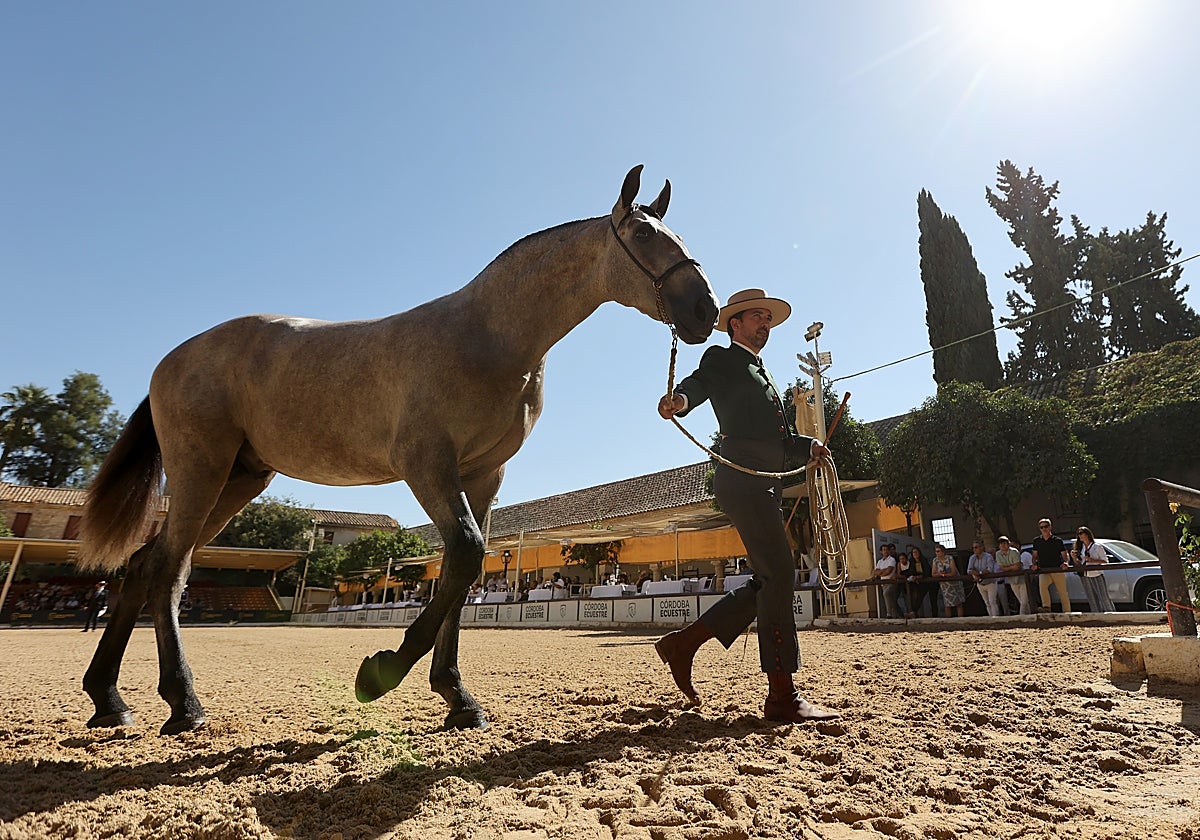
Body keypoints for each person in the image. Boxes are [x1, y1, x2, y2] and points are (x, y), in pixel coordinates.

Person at [653, 288, 839, 722]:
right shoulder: (723, 359)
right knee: (780, 574)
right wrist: (680, 401)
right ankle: (781, 697)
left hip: (762, 484)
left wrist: (808, 446)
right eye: (757, 317)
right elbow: (698, 385)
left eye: (768, 320)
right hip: (742, 481)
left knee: (769, 579)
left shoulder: (762, 373)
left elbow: (774, 440)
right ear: (735, 323)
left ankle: (684, 644)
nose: (765, 325)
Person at [1032, 518, 1072, 613]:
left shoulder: (1057, 540)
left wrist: (1066, 562)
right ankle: (1046, 609)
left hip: (1057, 569)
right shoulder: (1037, 541)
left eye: (1046, 526)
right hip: (1044, 570)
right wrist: (1034, 564)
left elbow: (1065, 554)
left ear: (1050, 527)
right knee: (1042, 587)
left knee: (1063, 592)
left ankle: (1067, 613)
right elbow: (1034, 556)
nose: (1044, 529)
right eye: (1042, 527)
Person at [1074, 526, 1115, 612]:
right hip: (1085, 575)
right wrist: (1074, 558)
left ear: (1087, 534)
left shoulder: (1097, 546)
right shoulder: (1081, 548)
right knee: (1091, 598)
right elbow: (1080, 563)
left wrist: (1093, 560)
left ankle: (1111, 614)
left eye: (1081, 533)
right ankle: (1097, 615)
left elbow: (1105, 561)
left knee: (1103, 597)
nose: (1079, 536)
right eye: (1078, 534)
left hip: (1097, 574)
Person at [995, 536, 1030, 615]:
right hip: (1012, 580)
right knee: (1022, 601)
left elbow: (1017, 567)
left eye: (1004, 543)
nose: (1003, 545)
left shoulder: (1014, 551)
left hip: (1022, 579)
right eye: (1001, 543)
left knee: (1024, 602)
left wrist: (1007, 568)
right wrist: (1011, 567)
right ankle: (1029, 617)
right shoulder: (998, 554)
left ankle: (1021, 618)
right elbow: (1002, 568)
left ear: (1008, 544)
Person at [967, 541, 1000, 617]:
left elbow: (990, 569)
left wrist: (979, 573)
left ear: (982, 547)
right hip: (980, 583)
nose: (974, 549)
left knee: (992, 602)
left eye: (976, 547)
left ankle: (996, 619)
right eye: (973, 548)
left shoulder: (988, 557)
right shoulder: (972, 558)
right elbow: (969, 570)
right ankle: (991, 618)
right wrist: (974, 573)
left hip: (990, 583)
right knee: (987, 602)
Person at [931, 544, 965, 617]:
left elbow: (953, 572)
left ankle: (961, 620)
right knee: (947, 604)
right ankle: (949, 620)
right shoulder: (935, 560)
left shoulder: (950, 558)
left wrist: (944, 575)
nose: (937, 553)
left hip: (955, 584)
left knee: (958, 603)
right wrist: (940, 574)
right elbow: (933, 574)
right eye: (936, 551)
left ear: (943, 552)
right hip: (945, 586)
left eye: (938, 551)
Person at [904, 546, 935, 618]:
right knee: (918, 598)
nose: (915, 554)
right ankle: (913, 612)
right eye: (913, 552)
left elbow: (927, 572)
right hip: (919, 583)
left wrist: (919, 577)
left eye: (916, 552)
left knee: (933, 599)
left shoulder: (924, 560)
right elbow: (910, 571)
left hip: (929, 582)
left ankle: (934, 615)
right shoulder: (912, 562)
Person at [873, 544, 901, 619]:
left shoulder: (892, 559)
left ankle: (889, 614)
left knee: (886, 594)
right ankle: (898, 614)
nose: (885, 551)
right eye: (883, 550)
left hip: (891, 582)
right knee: (891, 599)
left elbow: (889, 571)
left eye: (886, 549)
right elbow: (876, 572)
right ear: (881, 551)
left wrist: (881, 572)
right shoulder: (880, 561)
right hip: (883, 583)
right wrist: (883, 570)